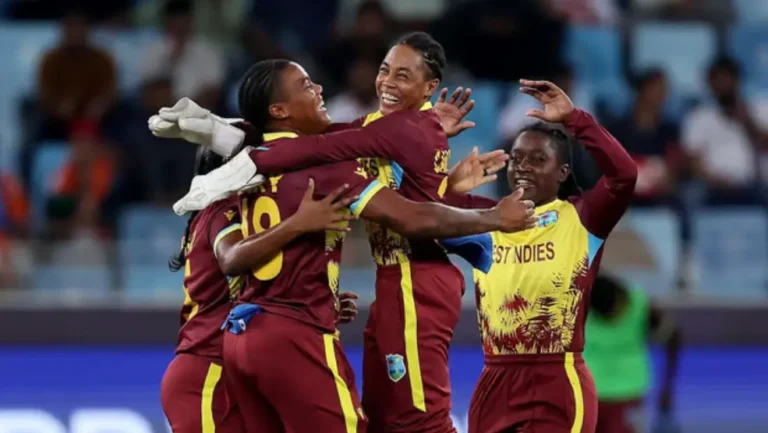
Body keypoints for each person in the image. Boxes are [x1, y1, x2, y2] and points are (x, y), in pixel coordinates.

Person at [157, 33, 515, 433]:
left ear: (429, 88)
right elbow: (409, 214)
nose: (321, 89)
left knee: (408, 421)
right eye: (384, 71)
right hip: (290, 333)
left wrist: (220, 134)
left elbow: (316, 145)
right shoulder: (333, 160)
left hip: (253, 333)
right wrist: (494, 216)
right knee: (406, 422)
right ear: (281, 109)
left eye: (403, 75)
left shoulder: (265, 169)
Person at [441, 79, 637, 433]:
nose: (523, 167)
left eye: (537, 160)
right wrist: (449, 188)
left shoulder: (583, 218)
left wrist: (576, 120)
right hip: (494, 381)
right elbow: (422, 217)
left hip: (558, 381)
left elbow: (624, 175)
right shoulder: (486, 221)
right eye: (516, 159)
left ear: (563, 173)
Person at [161, 146, 364, 433]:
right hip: (208, 369)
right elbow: (231, 259)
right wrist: (298, 224)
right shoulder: (223, 207)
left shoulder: (229, 211)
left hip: (229, 368)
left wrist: (305, 302)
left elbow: (248, 284)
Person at [584, 274, 682, 433]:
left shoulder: (640, 304)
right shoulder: (580, 306)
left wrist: (667, 387)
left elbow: (673, 336)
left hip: (628, 393)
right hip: (592, 394)